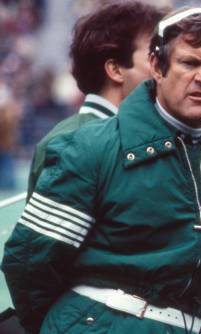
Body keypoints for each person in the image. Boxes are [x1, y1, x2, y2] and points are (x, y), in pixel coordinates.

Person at [2, 6, 201, 334]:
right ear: (157, 65)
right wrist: (77, 331)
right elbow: (29, 262)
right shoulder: (90, 146)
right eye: (189, 63)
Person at [26, 1, 164, 197]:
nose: (165, 68)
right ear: (115, 70)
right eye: (154, 57)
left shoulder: (143, 135)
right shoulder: (69, 143)